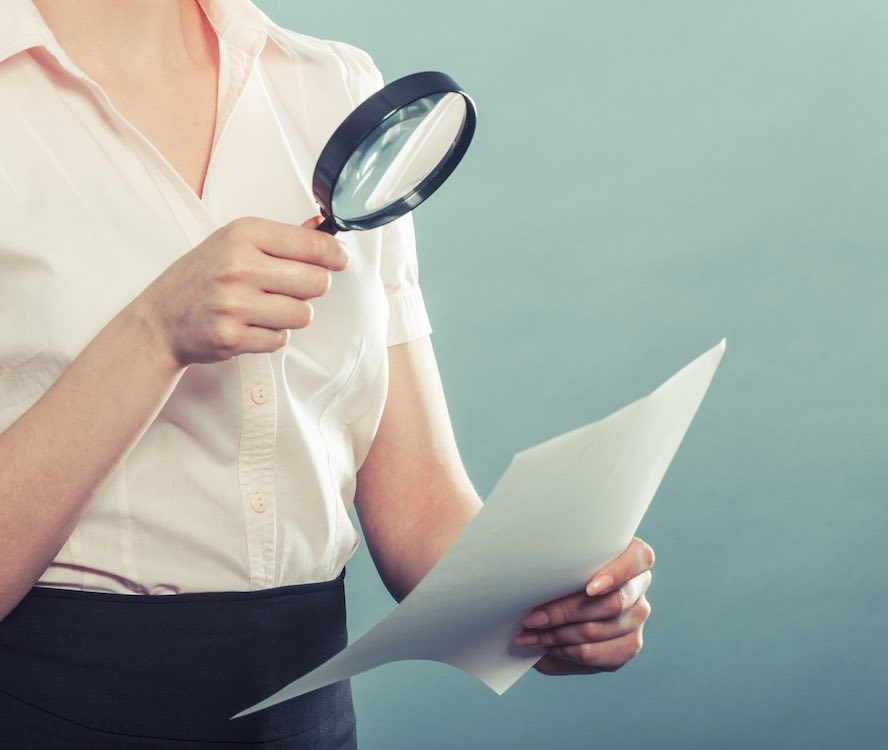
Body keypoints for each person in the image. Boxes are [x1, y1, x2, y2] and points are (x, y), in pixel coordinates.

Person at [0, 0, 654, 746]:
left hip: (308, 721)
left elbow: (419, 507)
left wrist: (552, 609)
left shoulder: (333, 88)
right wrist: (153, 335)